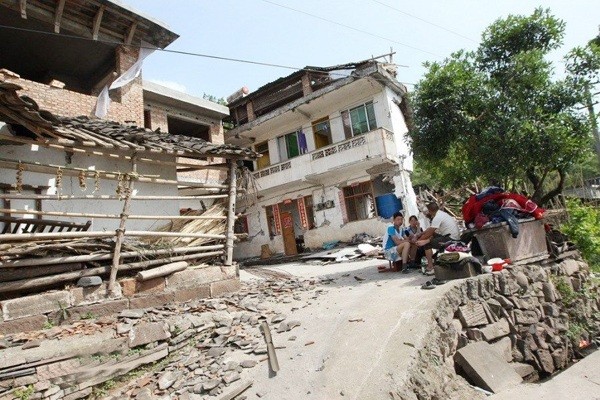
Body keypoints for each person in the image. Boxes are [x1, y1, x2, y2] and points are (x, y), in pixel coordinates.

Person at [415, 202, 461, 275]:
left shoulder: (437, 217)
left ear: (430, 211)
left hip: (450, 239)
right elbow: (430, 230)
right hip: (450, 236)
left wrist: (420, 240)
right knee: (429, 238)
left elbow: (430, 232)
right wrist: (421, 234)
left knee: (427, 244)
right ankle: (432, 262)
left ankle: (430, 267)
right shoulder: (441, 214)